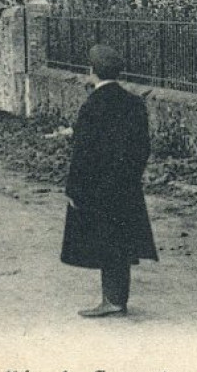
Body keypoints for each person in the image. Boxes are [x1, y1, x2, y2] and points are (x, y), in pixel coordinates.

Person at [60, 43, 158, 317]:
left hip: (98, 187)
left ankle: (112, 301)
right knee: (121, 240)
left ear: (93, 72)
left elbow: (83, 152)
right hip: (125, 185)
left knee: (105, 241)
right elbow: (143, 147)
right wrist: (130, 175)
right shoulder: (133, 103)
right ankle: (116, 298)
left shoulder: (93, 105)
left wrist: (74, 188)